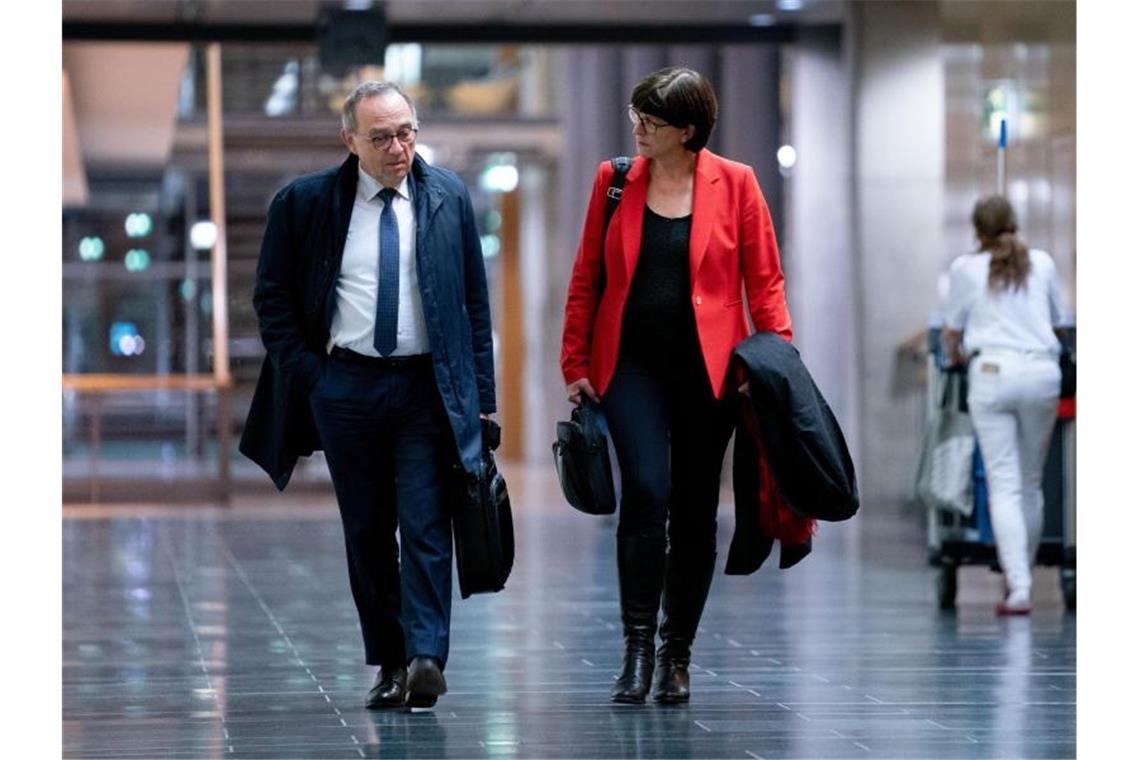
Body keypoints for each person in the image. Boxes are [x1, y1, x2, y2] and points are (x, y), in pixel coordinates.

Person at [240, 81, 497, 709]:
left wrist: (481, 400)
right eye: (380, 137)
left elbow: (473, 306)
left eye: (406, 131)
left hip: (424, 387)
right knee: (368, 530)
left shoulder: (448, 198)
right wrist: (312, 375)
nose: (398, 147)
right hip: (346, 385)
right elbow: (271, 300)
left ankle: (425, 656)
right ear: (349, 140)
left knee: (428, 521)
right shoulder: (306, 204)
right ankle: (389, 659)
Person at [560, 67, 793, 704]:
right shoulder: (614, 182)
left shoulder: (737, 183)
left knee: (695, 511)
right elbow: (587, 276)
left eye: (650, 120)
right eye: (635, 114)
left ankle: (676, 653)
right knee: (645, 492)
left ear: (687, 131)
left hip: (710, 371)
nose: (636, 127)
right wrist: (574, 359)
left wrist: (776, 364)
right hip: (630, 365)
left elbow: (764, 283)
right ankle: (636, 648)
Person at [942, 195, 1068, 616]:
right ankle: (1022, 579)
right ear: (1014, 223)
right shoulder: (1044, 263)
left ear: (977, 231)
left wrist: (957, 354)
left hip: (992, 375)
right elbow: (1059, 323)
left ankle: (1019, 588)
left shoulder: (965, 269)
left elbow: (951, 333)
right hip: (1041, 374)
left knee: (1005, 484)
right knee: (1029, 484)